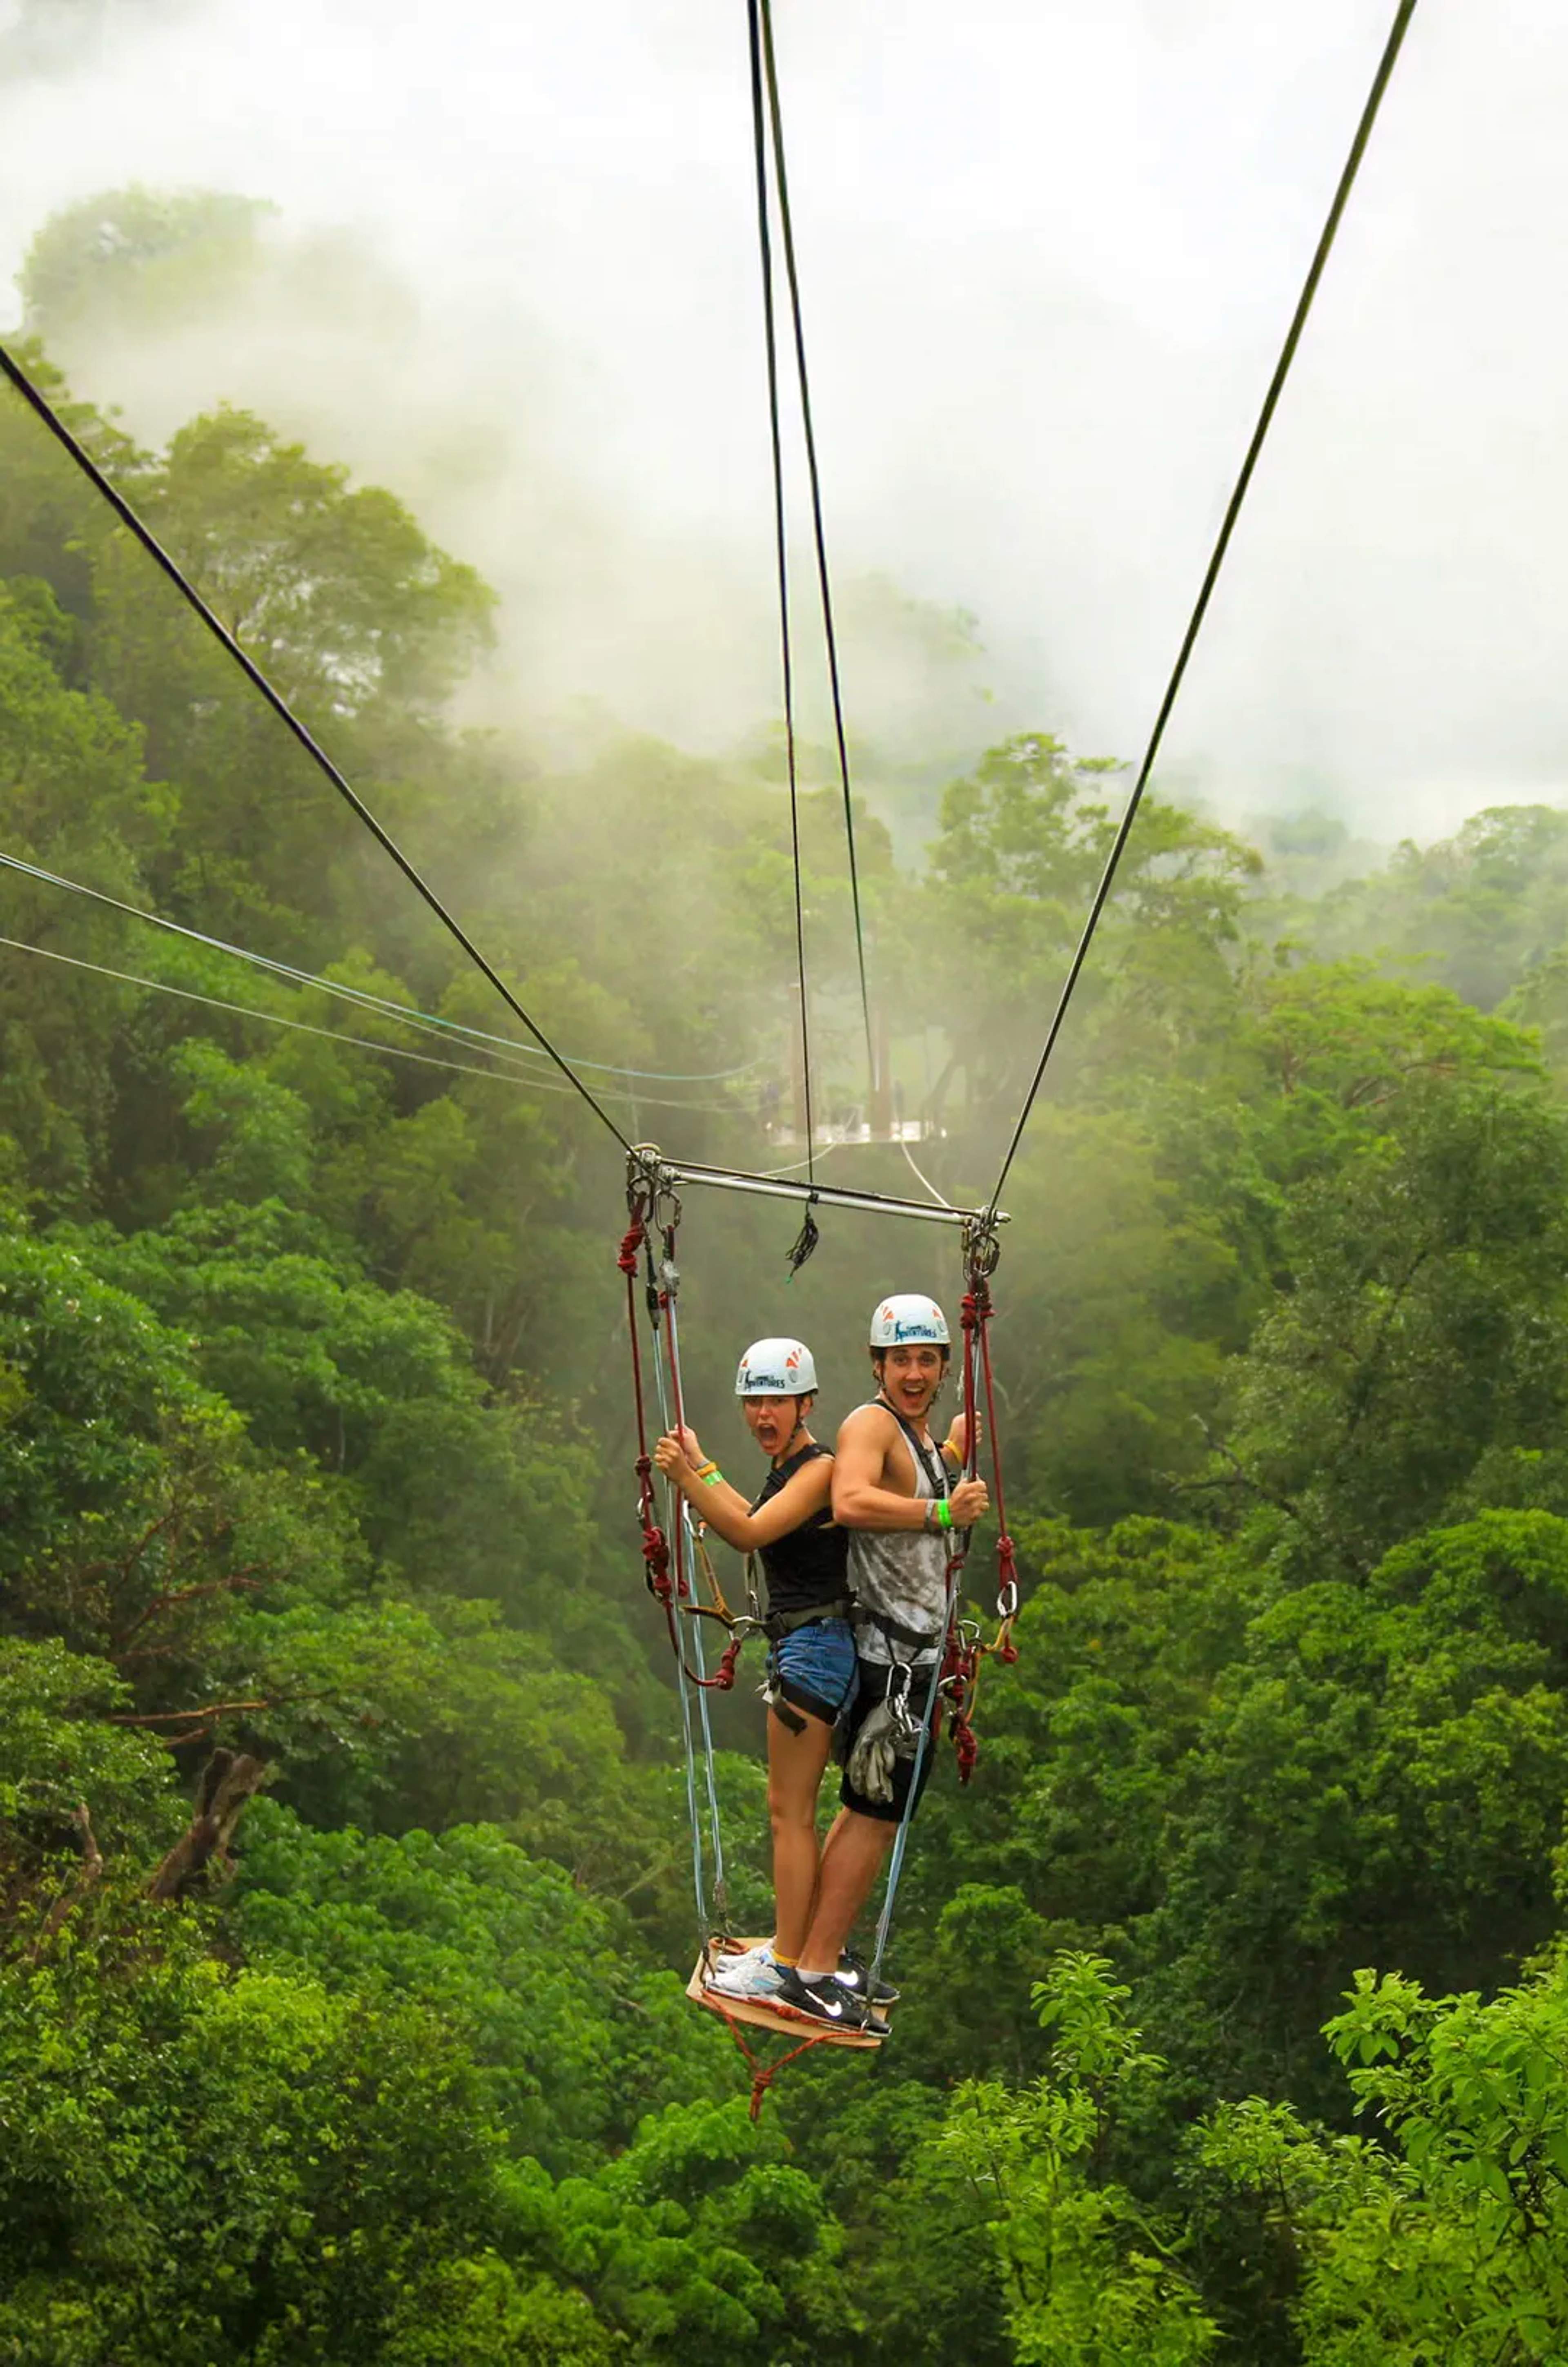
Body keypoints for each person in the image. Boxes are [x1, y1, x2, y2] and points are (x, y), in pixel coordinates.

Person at [773, 1293, 990, 2030]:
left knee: (868, 1815)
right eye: (902, 1360)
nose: (915, 1373)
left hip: (912, 1660)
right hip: (889, 1660)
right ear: (878, 1365)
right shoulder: (871, 1424)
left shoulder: (920, 1440)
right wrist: (941, 1514)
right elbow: (854, 1496)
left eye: (927, 1360)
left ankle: (816, 1953)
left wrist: (954, 1451)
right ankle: (811, 1966)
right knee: (874, 1816)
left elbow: (911, 1479)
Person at [655, 1336, 882, 2013]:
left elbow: (749, 1532)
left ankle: (788, 1962)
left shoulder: (819, 1469)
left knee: (790, 1816)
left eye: (776, 1401)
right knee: (792, 1814)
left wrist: (685, 1479)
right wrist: (702, 1465)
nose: (763, 1414)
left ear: (806, 1403)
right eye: (753, 1401)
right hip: (809, 1647)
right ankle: (792, 1954)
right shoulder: (789, 1467)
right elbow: (753, 1513)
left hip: (814, 1649)